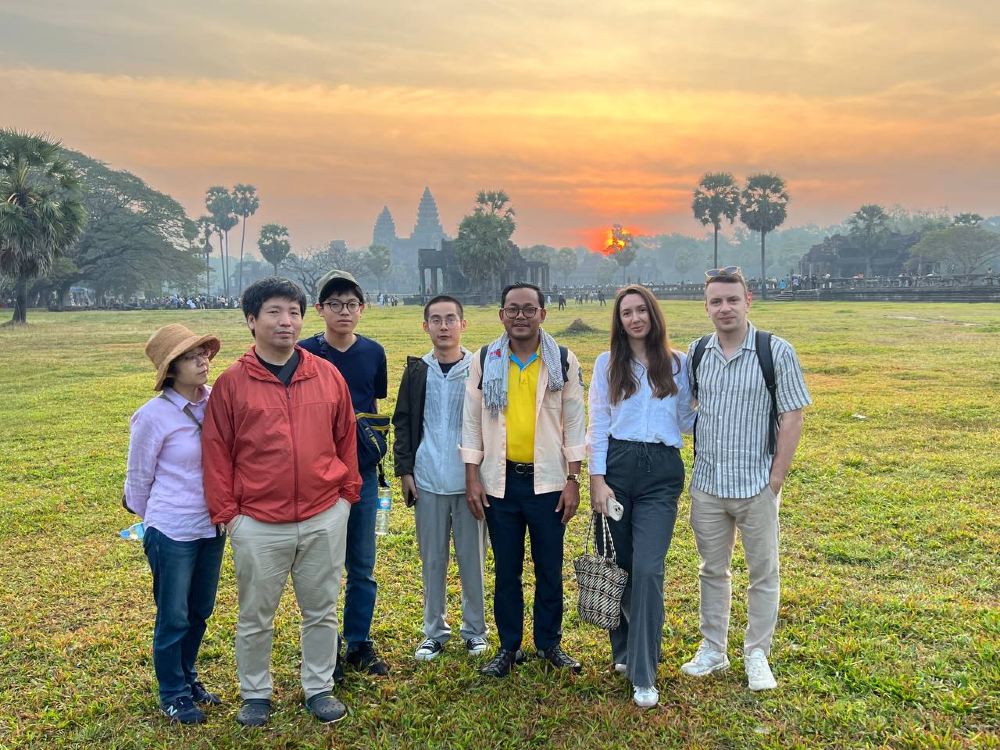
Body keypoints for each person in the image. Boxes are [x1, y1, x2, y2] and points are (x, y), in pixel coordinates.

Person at [202, 277, 360, 726]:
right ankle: (255, 693)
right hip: (257, 521)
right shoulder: (232, 384)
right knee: (255, 615)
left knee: (321, 610)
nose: (286, 321)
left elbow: (346, 439)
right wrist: (231, 517)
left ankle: (319, 687)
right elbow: (216, 452)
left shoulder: (326, 375)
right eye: (274, 312)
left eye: (293, 312)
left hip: (323, 514)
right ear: (251, 321)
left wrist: (345, 500)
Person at [680, 267, 811, 691]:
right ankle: (713, 649)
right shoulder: (697, 352)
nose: (725, 308)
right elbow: (687, 407)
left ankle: (757, 654)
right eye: (716, 301)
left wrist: (775, 479)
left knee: (763, 573)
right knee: (711, 570)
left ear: (748, 301)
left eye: (732, 299)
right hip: (708, 484)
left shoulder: (776, 351)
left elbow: (792, 416)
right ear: (706, 307)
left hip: (756, 484)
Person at [461, 282, 587, 678]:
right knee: (507, 571)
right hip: (500, 484)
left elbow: (574, 421)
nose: (521, 316)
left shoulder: (561, 360)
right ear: (502, 315)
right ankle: (508, 647)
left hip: (548, 484)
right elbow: (471, 422)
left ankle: (549, 644)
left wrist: (573, 479)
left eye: (529, 309)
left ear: (542, 314)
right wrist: (472, 477)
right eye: (513, 309)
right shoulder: (486, 359)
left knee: (549, 568)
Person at [587, 285, 695, 709]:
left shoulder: (678, 363)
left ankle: (644, 672)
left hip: (661, 473)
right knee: (618, 563)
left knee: (648, 569)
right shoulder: (607, 363)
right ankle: (623, 648)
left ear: (653, 314)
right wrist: (597, 479)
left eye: (641, 310)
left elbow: (684, 420)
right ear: (619, 321)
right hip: (617, 465)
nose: (634, 318)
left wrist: (719, 406)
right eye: (626, 313)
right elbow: (598, 422)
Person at [125, 324, 224, 725]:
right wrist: (157, 522)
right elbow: (138, 481)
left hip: (212, 526)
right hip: (171, 530)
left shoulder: (215, 402)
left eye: (203, 353)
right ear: (171, 368)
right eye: (190, 357)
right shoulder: (152, 416)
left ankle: (188, 677)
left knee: (200, 611)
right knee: (173, 615)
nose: (202, 361)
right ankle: (173, 693)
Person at [298, 269, 390, 677]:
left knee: (362, 564)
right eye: (335, 304)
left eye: (351, 304)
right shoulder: (304, 353)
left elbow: (373, 406)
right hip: (318, 474)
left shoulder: (373, 353)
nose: (344, 311)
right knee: (321, 566)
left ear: (362, 309)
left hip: (362, 471)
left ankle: (358, 642)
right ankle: (325, 648)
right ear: (320, 309)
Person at [392, 295, 489, 662]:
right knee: (432, 561)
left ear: (463, 324)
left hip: (470, 483)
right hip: (428, 479)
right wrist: (405, 470)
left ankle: (475, 631)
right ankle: (434, 632)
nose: (444, 326)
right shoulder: (418, 370)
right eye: (436, 319)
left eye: (450, 319)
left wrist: (483, 475)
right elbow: (403, 422)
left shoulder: (478, 369)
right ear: (425, 326)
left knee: (472, 561)